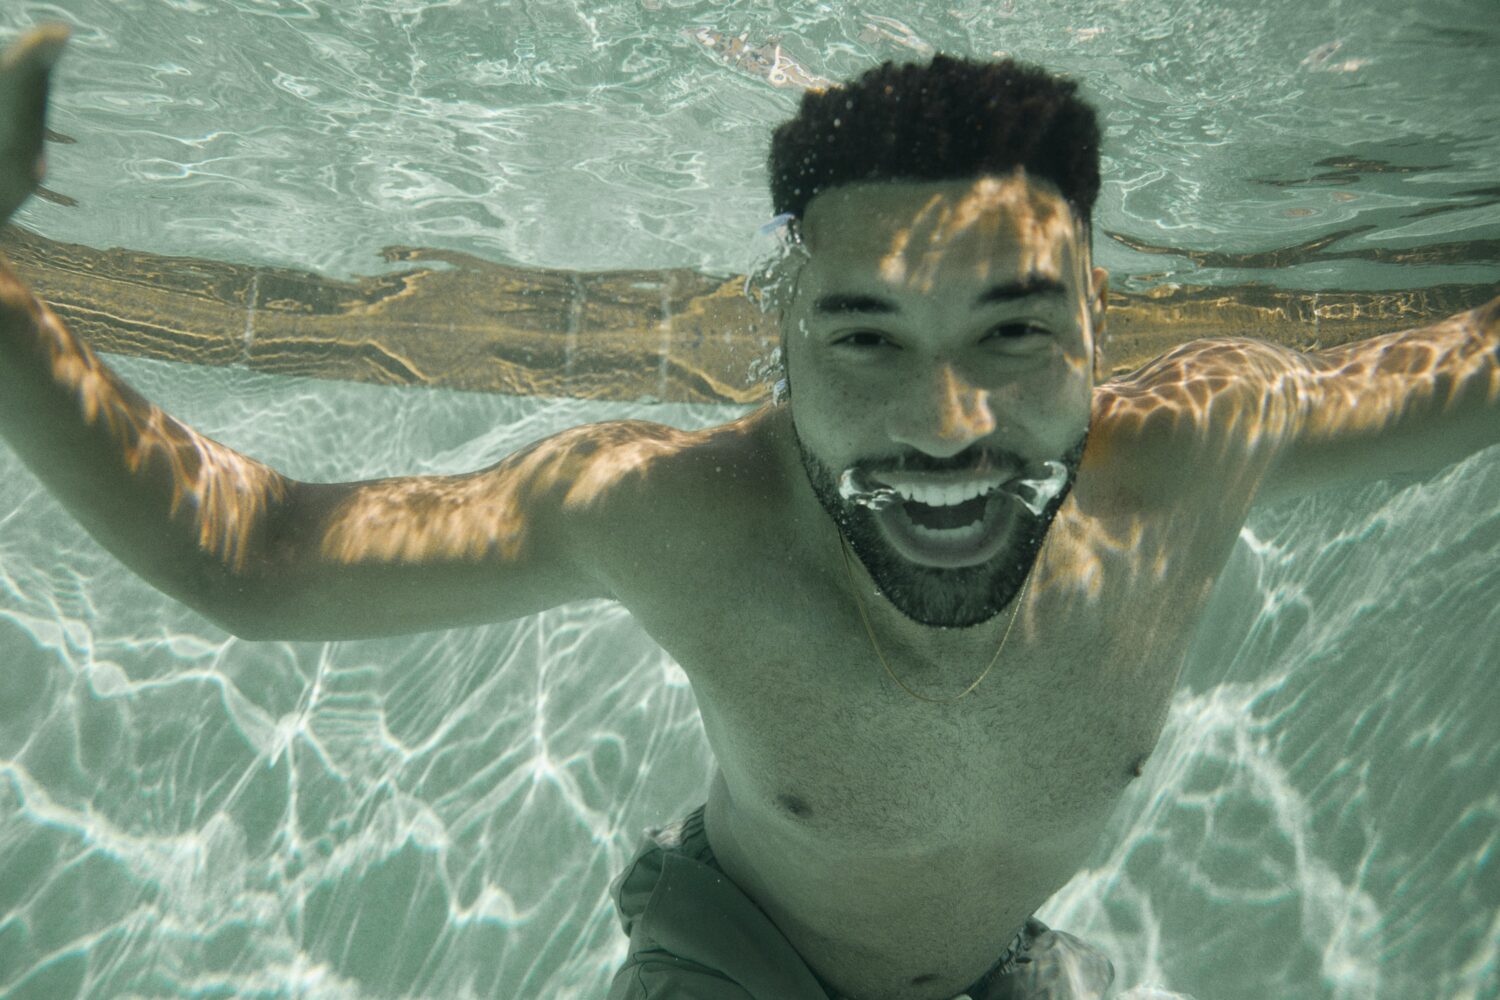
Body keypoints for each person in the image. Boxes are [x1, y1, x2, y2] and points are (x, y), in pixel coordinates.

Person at [1, 24, 1496, 1000]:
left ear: (1103, 323)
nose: (947, 428)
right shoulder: (674, 515)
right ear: (778, 340)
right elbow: (255, 554)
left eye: (1013, 329)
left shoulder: (1203, 451)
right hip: (738, 959)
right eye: (866, 336)